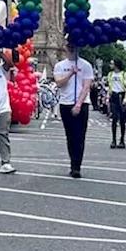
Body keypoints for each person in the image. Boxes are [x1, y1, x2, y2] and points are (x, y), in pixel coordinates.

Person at [53, 40, 95, 178]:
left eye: (74, 46)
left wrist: (78, 104)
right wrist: (71, 73)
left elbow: (86, 86)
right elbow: (59, 83)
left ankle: (76, 166)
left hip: (81, 104)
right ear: (65, 48)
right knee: (70, 136)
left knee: (80, 136)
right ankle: (72, 161)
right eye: (69, 46)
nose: (71, 48)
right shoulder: (60, 65)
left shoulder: (86, 65)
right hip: (65, 103)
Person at [106, 60, 126, 148]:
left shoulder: (124, 74)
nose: (110, 65)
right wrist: (108, 96)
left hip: (121, 95)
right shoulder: (110, 74)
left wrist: (125, 98)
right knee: (114, 117)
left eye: (112, 63)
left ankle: (122, 140)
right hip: (114, 96)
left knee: (122, 120)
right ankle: (113, 140)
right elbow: (109, 86)